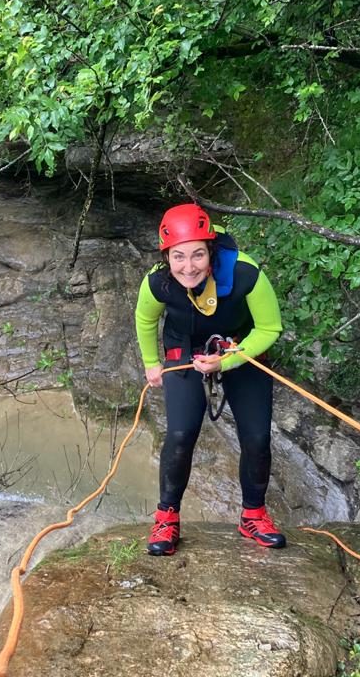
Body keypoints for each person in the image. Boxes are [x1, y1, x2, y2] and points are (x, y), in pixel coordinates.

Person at [135, 203, 284, 556]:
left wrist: (228, 360)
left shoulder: (245, 273)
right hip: (184, 349)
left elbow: (269, 328)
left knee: (257, 437)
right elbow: (145, 320)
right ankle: (167, 518)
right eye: (179, 257)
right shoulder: (158, 282)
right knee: (181, 433)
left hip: (240, 348)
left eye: (198, 255)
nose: (189, 266)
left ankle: (253, 515)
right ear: (167, 256)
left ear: (211, 251)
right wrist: (151, 363)